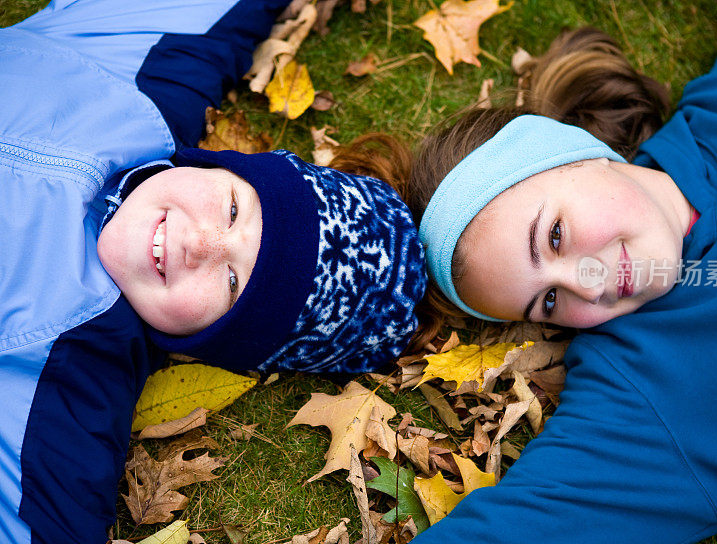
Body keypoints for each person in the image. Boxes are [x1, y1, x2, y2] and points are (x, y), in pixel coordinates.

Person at [333, 0, 717, 541]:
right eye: (549, 301)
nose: (587, 284)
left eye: (553, 236)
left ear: (579, 153)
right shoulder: (644, 399)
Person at [0, 1, 426, 542]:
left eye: (232, 284)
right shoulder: (145, 83)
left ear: (207, 342)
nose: (199, 242)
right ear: (220, 167)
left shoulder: (62, 404)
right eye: (232, 209)